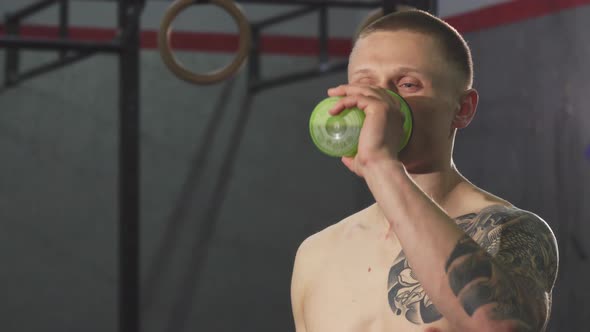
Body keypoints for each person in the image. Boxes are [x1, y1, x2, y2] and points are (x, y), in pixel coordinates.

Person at [290, 9, 558, 332]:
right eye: (365, 85)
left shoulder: (512, 231)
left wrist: (381, 164)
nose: (381, 102)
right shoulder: (316, 254)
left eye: (407, 84)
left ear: (462, 109)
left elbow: (499, 328)